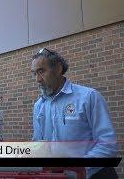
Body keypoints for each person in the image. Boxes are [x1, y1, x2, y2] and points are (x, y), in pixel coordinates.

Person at [31, 48, 118, 178]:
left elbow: (108, 145)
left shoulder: (89, 97)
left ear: (58, 68)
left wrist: (76, 169)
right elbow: (38, 143)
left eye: (41, 71)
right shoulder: (39, 106)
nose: (37, 79)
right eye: (34, 73)